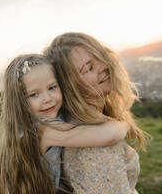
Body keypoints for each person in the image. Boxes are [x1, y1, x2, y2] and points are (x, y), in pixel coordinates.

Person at [0, 54, 132, 194]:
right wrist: (125, 125)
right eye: (34, 94)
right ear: (18, 101)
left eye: (52, 87)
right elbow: (110, 135)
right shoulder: (44, 131)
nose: (47, 99)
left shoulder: (29, 125)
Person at [44, 32, 148, 194]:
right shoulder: (95, 148)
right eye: (89, 68)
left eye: (101, 56)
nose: (104, 66)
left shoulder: (86, 126)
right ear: (71, 86)